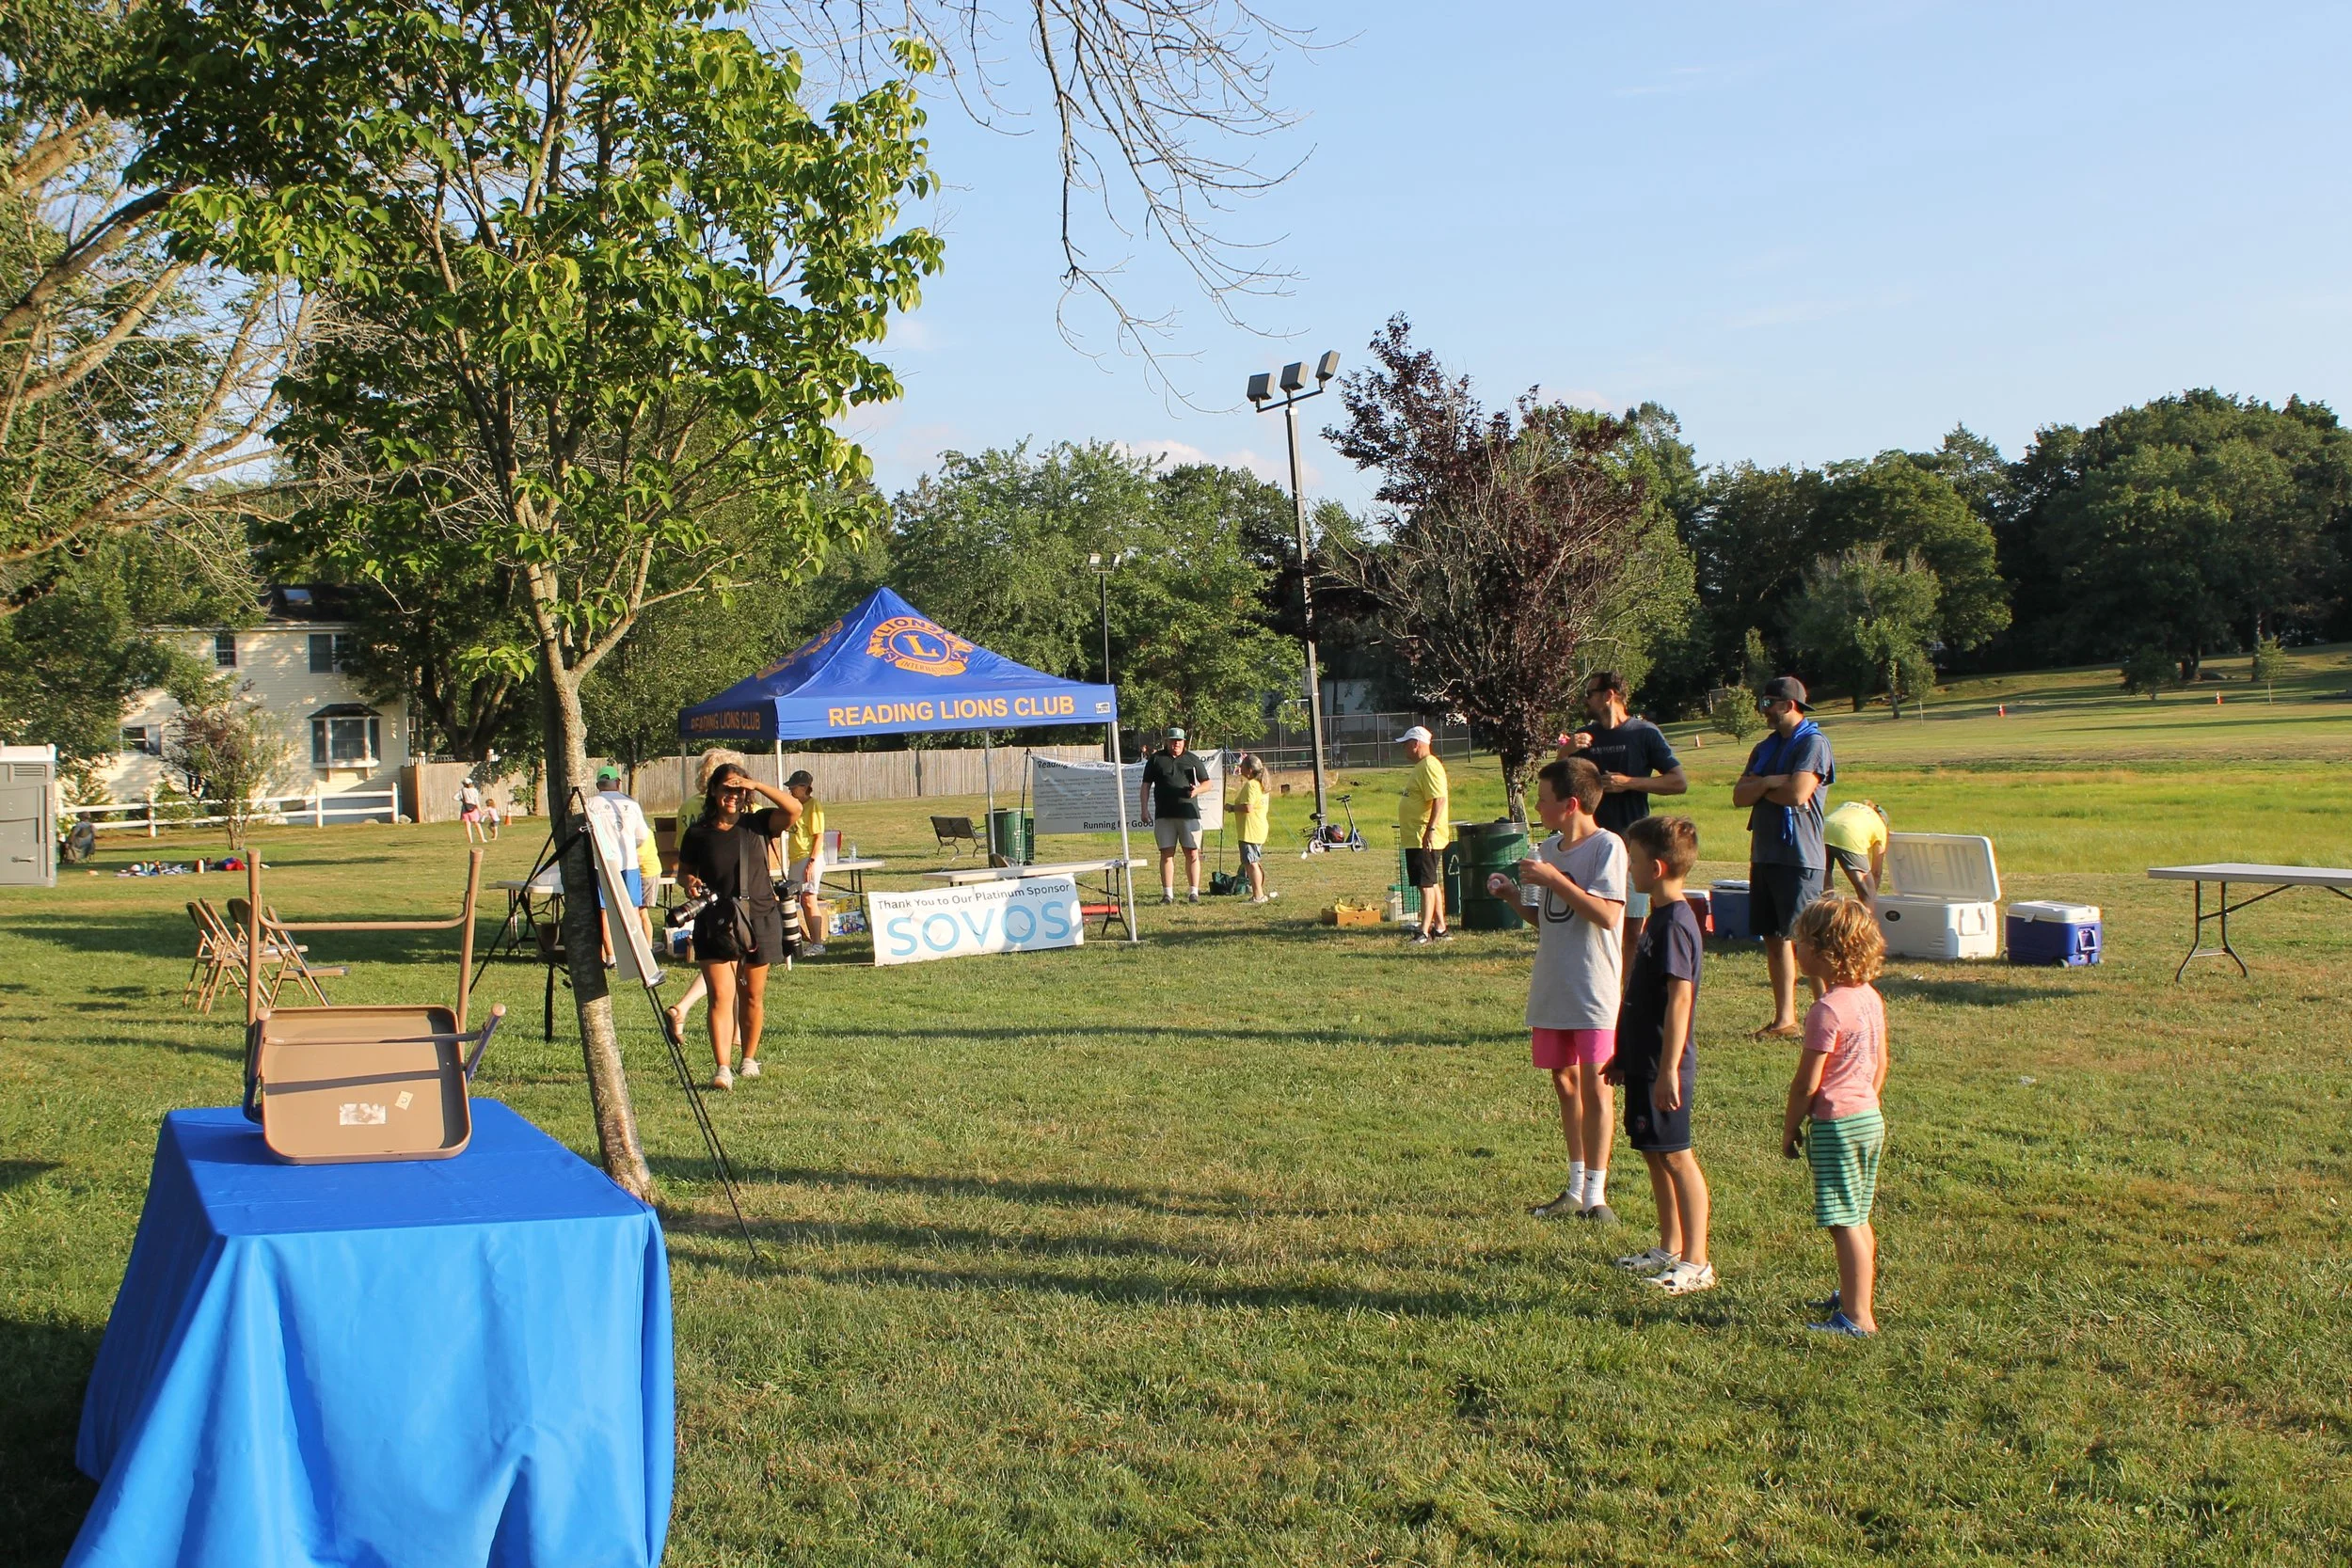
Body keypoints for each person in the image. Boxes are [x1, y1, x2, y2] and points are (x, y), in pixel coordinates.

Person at [1497, 758, 1627, 1223]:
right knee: (1564, 1081)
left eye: (1545, 800)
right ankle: (1573, 1188)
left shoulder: (1606, 847)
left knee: (1596, 1087)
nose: (1538, 805)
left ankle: (1597, 1193)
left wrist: (1555, 879)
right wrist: (1513, 898)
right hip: (1553, 986)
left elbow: (1608, 914)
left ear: (1570, 805)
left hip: (1594, 989)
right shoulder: (1548, 848)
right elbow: (1548, 919)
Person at [1608, 814, 1714, 1295]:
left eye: (1633, 860)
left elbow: (1680, 999)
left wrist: (1668, 1069)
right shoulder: (1658, 916)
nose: (1627, 868)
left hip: (1664, 1066)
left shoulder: (1676, 924)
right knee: (1655, 1154)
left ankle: (1697, 1261)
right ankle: (1670, 1246)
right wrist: (1624, 1054)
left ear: (1657, 866)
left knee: (1677, 1158)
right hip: (1645, 1060)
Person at [1783, 895, 1890, 1337]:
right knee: (1859, 1215)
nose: (1795, 951)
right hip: (1868, 1116)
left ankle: (1857, 1318)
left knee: (1842, 1220)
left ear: (1827, 951)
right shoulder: (1868, 998)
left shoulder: (1825, 1010)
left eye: (1802, 943)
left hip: (1836, 1124)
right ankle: (1852, 1295)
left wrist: (1791, 1126)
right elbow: (1881, 1062)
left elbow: (1807, 1082)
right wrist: (1866, 1099)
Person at [676, 763, 802, 1090]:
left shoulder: (758, 824)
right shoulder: (698, 832)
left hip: (760, 916)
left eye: (738, 790)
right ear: (714, 792)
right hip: (715, 919)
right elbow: (683, 872)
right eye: (726, 789)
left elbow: (794, 809)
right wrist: (688, 882)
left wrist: (756, 784)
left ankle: (748, 1059)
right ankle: (722, 1068)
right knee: (720, 995)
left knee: (753, 996)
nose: (731, 796)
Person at [1731, 675, 1836, 1038]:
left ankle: (1828, 1017)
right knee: (1774, 939)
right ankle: (1785, 1020)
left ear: (1789, 705)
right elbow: (1739, 796)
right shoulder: (1763, 747)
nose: (1762, 711)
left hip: (1800, 857)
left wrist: (1765, 786)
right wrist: (1767, 783)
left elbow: (1798, 793)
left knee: (1808, 940)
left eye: (1767, 703)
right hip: (1765, 852)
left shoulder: (1814, 743)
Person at [1562, 670, 1687, 974]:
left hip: (1633, 847)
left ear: (1609, 695)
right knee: (1589, 926)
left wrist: (1630, 782)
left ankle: (1627, 997)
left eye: (1590, 693)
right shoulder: (1585, 736)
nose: (1586, 699)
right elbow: (1560, 785)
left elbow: (1677, 782)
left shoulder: (1643, 733)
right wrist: (1566, 751)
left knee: (1631, 928)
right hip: (1589, 844)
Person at [586, 766, 654, 968]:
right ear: (618, 782)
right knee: (632, 909)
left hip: (603, 864)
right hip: (629, 863)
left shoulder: (590, 804)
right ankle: (635, 953)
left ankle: (611, 955)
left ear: (599, 785)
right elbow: (642, 835)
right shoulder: (631, 804)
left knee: (604, 910)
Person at [1139, 726, 1212, 903]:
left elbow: (1207, 783)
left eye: (1179, 741)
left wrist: (1197, 791)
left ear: (1184, 742)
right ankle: (1167, 894)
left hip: (1188, 813)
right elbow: (1145, 786)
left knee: (1192, 853)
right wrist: (1144, 809)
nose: (1175, 744)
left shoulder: (1192, 759)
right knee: (1166, 854)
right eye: (1172, 740)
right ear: (1167, 741)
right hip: (1164, 814)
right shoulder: (1156, 759)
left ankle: (1193, 892)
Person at [1396, 724, 1453, 943]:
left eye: (1406, 745)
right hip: (1418, 835)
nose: (1404, 750)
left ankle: (1423, 932)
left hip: (1424, 836)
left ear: (1415, 744)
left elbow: (1439, 799)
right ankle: (1440, 928)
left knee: (1425, 885)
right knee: (1431, 882)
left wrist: (1430, 830)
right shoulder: (1424, 766)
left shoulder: (1429, 765)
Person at [783, 769, 828, 956]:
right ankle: (805, 940)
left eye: (793, 787)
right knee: (797, 899)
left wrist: (811, 861)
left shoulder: (813, 806)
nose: (790, 790)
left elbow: (819, 836)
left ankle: (818, 943)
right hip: (796, 858)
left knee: (809, 899)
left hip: (809, 857)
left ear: (804, 787)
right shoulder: (795, 806)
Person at [1823, 799, 1889, 909]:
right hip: (1849, 834)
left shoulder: (1847, 804)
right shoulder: (1880, 826)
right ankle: (1864, 924)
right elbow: (1876, 872)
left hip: (1823, 829)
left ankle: (1824, 919)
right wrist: (1871, 893)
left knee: (1825, 888)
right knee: (1867, 893)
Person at [1229, 753, 1276, 903]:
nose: (1239, 768)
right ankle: (1257, 893)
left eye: (1242, 766)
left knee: (1251, 863)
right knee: (1251, 861)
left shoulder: (1251, 785)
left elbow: (1248, 807)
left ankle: (1258, 895)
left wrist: (1231, 808)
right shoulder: (1260, 784)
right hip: (1257, 828)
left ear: (1249, 770)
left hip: (1250, 830)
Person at [458, 778, 485, 843]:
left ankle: (470, 840)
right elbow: (476, 801)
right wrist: (480, 810)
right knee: (477, 824)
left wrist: (462, 800)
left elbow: (455, 797)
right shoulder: (474, 790)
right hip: (473, 808)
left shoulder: (462, 790)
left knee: (467, 825)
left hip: (465, 808)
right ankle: (482, 839)